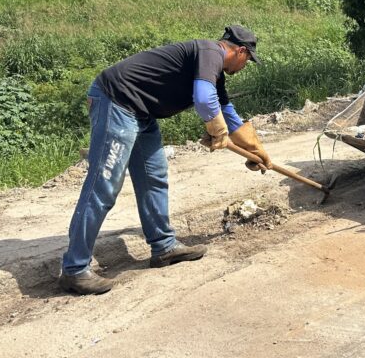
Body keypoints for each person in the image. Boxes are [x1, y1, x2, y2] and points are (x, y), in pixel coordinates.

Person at [59, 25, 273, 295]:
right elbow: (205, 101)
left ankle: (164, 247)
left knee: (154, 178)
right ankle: (75, 269)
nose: (245, 66)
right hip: (116, 102)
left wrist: (256, 151)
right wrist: (215, 128)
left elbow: (226, 111)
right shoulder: (210, 52)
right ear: (240, 51)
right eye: (248, 60)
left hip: (142, 112)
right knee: (104, 185)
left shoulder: (215, 72)